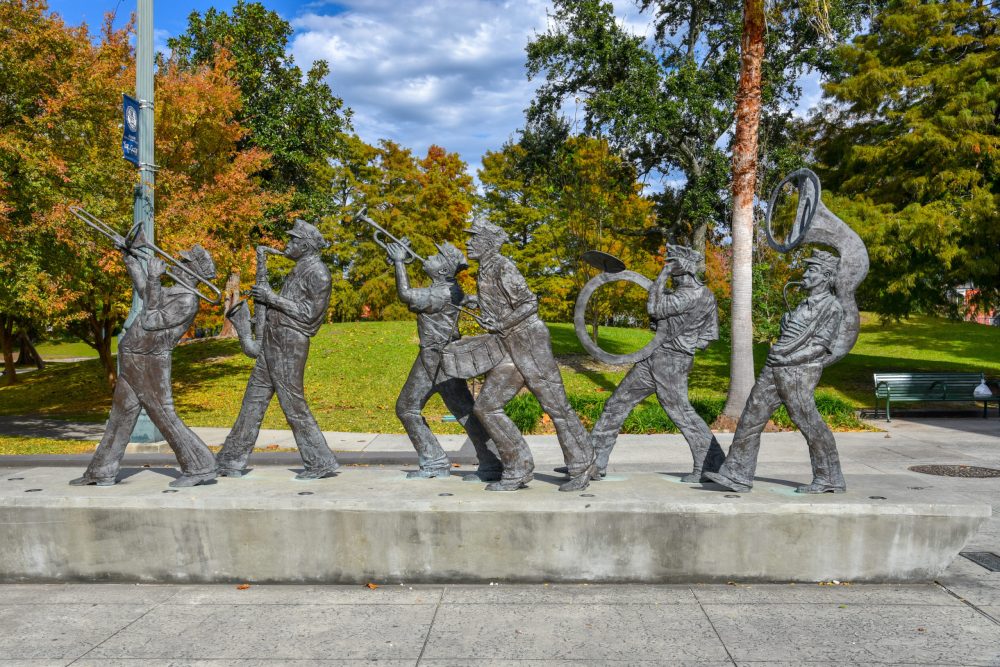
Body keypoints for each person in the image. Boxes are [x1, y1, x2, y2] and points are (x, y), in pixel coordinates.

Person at [70, 244, 218, 488]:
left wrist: (153, 278)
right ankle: (101, 470)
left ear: (191, 271)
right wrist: (130, 260)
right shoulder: (173, 291)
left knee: (163, 414)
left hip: (151, 362)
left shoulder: (186, 299)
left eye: (184, 261)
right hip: (134, 358)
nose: (175, 262)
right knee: (120, 415)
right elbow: (145, 293)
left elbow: (149, 319)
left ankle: (200, 465)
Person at [465, 219, 596, 492]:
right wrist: (475, 303)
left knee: (556, 407)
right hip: (509, 347)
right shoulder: (486, 269)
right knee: (486, 407)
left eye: (474, 237)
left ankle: (582, 464)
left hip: (529, 343)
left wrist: (502, 323)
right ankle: (518, 467)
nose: (468, 242)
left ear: (488, 242)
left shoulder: (503, 266)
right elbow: (500, 302)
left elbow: (528, 303)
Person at [705, 250, 846, 494]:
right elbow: (796, 337)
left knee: (808, 422)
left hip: (798, 372)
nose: (805, 274)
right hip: (775, 367)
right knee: (750, 417)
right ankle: (737, 474)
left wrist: (785, 355)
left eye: (811, 270)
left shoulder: (832, 308)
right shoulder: (803, 304)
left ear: (825, 276)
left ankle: (829, 477)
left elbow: (820, 347)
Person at [586, 244, 725, 481]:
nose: (667, 271)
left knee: (681, 412)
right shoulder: (705, 295)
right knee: (617, 404)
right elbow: (709, 334)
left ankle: (713, 465)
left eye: (670, 267)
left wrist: (661, 277)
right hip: (657, 358)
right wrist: (680, 337)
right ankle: (591, 463)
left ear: (681, 270)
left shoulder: (688, 295)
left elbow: (654, 307)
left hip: (670, 361)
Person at [216, 220, 339, 480]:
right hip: (274, 340)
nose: (287, 245)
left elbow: (309, 316)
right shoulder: (299, 270)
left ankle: (320, 462)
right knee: (253, 401)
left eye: (293, 241)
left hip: (289, 343)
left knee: (293, 403)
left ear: (305, 245)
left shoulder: (318, 273)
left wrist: (270, 298)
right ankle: (230, 460)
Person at [385, 239, 503, 480]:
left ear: (441, 270)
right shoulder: (448, 288)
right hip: (436, 357)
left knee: (408, 408)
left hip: (436, 358)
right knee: (463, 412)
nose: (428, 256)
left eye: (435, 256)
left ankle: (437, 462)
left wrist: (399, 263)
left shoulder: (442, 292)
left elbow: (405, 295)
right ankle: (490, 463)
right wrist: (399, 261)